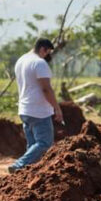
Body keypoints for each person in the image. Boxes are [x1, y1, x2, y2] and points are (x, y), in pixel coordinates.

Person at [8, 38, 63, 173]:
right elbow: (46, 89)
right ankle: (19, 165)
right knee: (44, 143)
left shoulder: (21, 60)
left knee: (33, 145)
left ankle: (27, 174)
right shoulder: (39, 63)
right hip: (39, 111)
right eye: (47, 52)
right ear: (43, 49)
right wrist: (57, 108)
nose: (47, 56)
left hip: (24, 109)